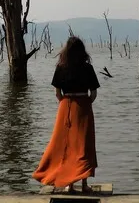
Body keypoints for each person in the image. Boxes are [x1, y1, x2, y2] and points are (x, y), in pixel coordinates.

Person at [32, 36, 100, 193]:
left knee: (65, 146)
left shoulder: (61, 67)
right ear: (82, 51)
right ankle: (83, 185)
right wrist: (84, 104)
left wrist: (66, 104)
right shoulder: (87, 68)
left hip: (65, 107)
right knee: (84, 146)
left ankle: (69, 184)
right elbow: (94, 93)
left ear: (66, 51)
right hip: (83, 106)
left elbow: (57, 93)